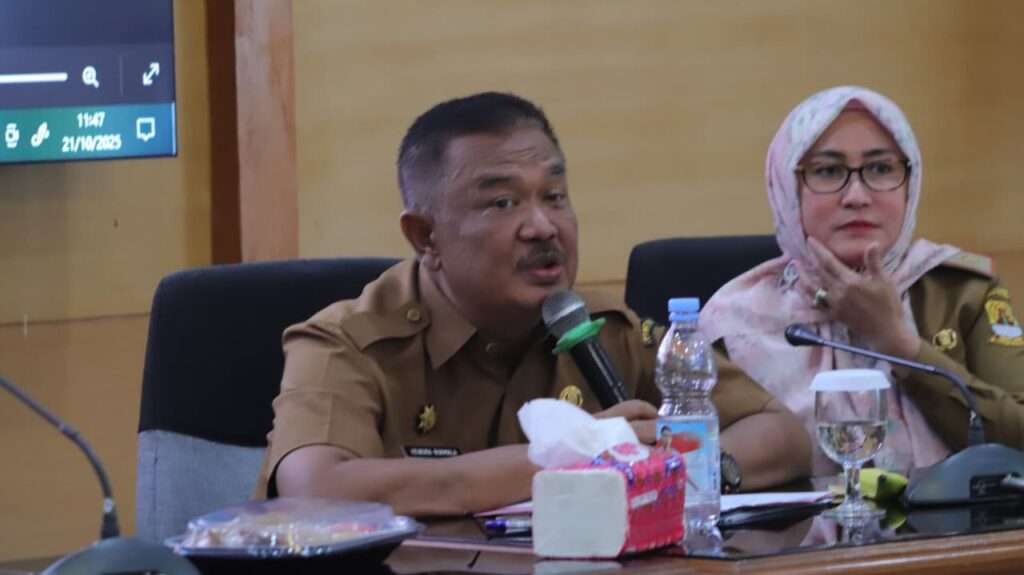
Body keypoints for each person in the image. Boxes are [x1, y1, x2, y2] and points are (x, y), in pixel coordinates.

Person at [254, 92, 809, 515]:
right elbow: (317, 488)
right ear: (426, 237)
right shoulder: (346, 344)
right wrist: (585, 454)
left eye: (555, 196)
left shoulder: (604, 331)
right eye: (503, 202)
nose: (542, 225)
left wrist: (700, 468)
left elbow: (780, 433)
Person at [701, 86, 1024, 475]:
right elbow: (697, 470)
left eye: (881, 168)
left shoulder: (960, 292)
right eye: (828, 171)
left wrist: (900, 343)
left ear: (910, 183)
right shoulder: (733, 321)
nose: (856, 195)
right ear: (787, 188)